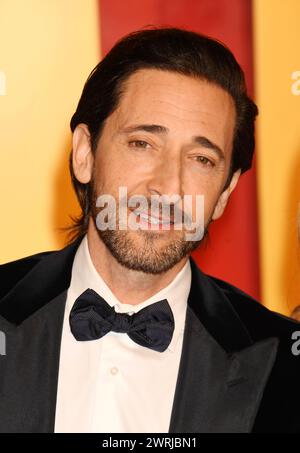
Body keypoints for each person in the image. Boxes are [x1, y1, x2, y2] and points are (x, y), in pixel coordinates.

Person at [0, 27, 299, 434]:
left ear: (226, 192)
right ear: (85, 153)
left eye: (201, 159)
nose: (167, 187)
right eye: (142, 144)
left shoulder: (284, 362)